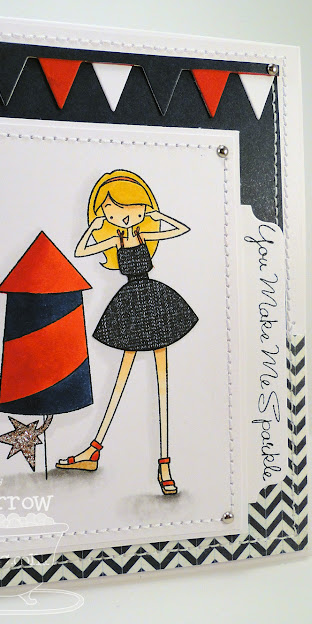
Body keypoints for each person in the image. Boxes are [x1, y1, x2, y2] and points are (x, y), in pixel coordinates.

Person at [56, 170, 198, 494]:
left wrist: (155, 216)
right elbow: (81, 250)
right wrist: (94, 225)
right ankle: (94, 450)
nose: (121, 215)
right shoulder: (114, 239)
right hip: (132, 304)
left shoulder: (146, 234)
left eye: (130, 208)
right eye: (111, 209)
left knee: (162, 382)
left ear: (142, 207)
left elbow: (181, 228)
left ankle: (164, 464)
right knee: (121, 379)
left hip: (155, 301)